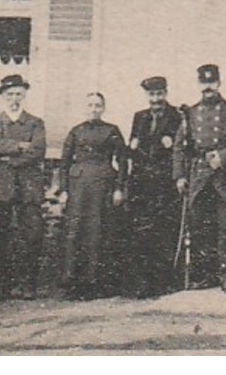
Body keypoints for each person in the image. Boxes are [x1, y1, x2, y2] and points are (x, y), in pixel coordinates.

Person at [174, 63, 226, 293]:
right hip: (199, 176)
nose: (208, 87)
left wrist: (224, 157)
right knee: (200, 227)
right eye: (204, 82)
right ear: (199, 84)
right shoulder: (190, 113)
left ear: (218, 83)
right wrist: (179, 175)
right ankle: (205, 275)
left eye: (212, 82)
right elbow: (179, 147)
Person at [0, 73, 47, 300]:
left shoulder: (35, 123)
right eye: (10, 94)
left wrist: (10, 158)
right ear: (2, 96)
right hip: (0, 187)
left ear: (25, 95)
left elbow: (38, 151)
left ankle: (28, 285)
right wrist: (19, 145)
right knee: (0, 236)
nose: (14, 99)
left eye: (19, 94)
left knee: (31, 235)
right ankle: (1, 286)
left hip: (28, 187)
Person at [58, 92, 127, 300]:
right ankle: (72, 281)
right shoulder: (75, 131)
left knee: (97, 231)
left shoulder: (111, 130)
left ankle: (95, 281)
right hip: (78, 186)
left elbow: (123, 161)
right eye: (90, 105)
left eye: (98, 105)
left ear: (103, 108)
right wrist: (64, 190)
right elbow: (64, 162)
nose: (94, 109)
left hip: (102, 185)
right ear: (85, 107)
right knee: (75, 231)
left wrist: (119, 188)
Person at [123, 75, 183, 298]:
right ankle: (142, 281)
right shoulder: (139, 117)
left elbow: (180, 150)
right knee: (141, 233)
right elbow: (133, 147)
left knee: (164, 231)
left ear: (166, 93)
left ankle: (163, 282)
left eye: (159, 94)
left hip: (165, 184)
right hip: (142, 183)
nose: (156, 99)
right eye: (152, 94)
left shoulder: (177, 116)